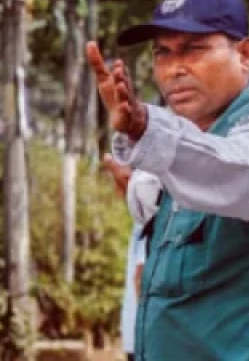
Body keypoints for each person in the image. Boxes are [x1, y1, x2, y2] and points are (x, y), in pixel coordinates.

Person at [88, 0, 249, 361]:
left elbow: (233, 173)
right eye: (162, 53)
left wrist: (142, 128)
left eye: (193, 49)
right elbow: (188, 173)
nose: (174, 69)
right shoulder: (187, 152)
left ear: (244, 55)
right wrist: (139, 177)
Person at [103, 155, 157, 361]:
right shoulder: (143, 218)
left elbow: (142, 277)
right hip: (140, 338)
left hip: (144, 340)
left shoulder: (148, 215)